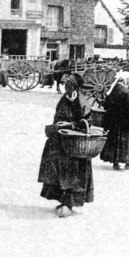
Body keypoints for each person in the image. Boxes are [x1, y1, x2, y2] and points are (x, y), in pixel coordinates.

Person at [38, 77, 93, 217]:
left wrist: (69, 125)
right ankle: (63, 200)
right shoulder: (64, 99)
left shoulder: (82, 101)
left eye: (69, 87)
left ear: (75, 87)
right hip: (61, 141)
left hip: (75, 143)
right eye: (65, 87)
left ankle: (69, 203)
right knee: (59, 171)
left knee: (73, 173)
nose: (67, 90)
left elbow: (87, 123)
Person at [99, 71, 129, 170]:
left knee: (115, 142)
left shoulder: (113, 90)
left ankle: (115, 163)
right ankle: (128, 163)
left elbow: (106, 105)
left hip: (113, 122)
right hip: (125, 122)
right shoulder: (127, 92)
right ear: (124, 80)